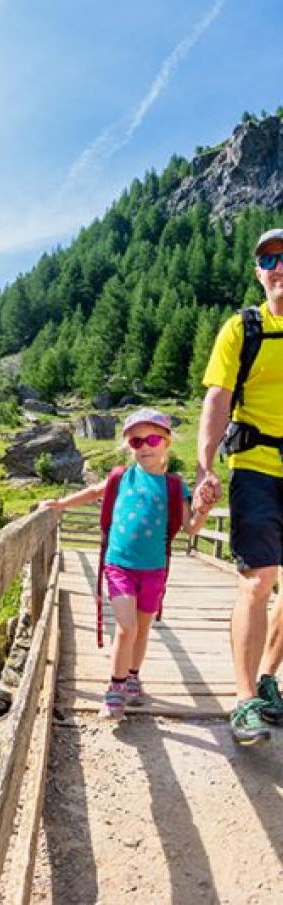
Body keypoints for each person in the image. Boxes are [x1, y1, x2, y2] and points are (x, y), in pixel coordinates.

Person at [41, 408, 211, 719]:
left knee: (143, 629)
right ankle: (114, 688)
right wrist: (60, 504)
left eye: (151, 439)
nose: (144, 446)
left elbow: (191, 528)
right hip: (118, 564)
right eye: (135, 442)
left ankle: (133, 674)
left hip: (155, 568)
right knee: (126, 627)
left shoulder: (175, 486)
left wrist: (204, 510)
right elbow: (94, 492)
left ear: (167, 442)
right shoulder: (121, 477)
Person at [195, 227, 283, 745]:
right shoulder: (241, 329)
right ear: (259, 273)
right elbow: (217, 398)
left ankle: (270, 677)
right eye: (269, 259)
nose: (280, 267)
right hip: (255, 464)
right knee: (260, 576)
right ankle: (245, 698)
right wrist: (206, 466)